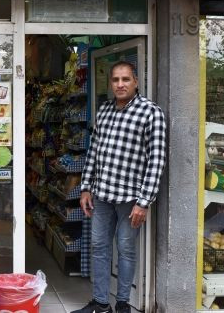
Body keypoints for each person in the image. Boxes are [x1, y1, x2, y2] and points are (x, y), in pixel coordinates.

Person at [72, 61, 166, 313]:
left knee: (125, 250)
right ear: (110, 83)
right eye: (115, 80)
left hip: (130, 199)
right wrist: (85, 187)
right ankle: (101, 303)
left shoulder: (151, 113)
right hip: (102, 195)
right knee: (99, 248)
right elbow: (94, 151)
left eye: (125, 79)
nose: (120, 84)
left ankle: (122, 303)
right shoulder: (104, 111)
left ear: (136, 81)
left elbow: (157, 160)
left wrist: (144, 202)